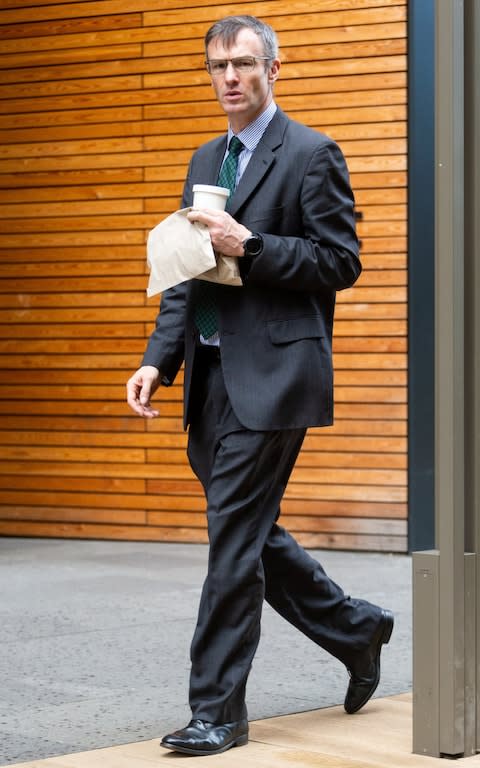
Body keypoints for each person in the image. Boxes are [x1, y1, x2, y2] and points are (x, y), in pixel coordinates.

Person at [126, 14, 393, 757]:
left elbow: (340, 261)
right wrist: (158, 358)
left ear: (275, 69)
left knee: (231, 544)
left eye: (244, 63)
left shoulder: (311, 153)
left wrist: (256, 246)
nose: (230, 78)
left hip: (274, 375)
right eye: (218, 67)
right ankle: (356, 628)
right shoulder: (205, 158)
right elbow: (184, 272)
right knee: (247, 534)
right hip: (209, 379)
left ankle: (218, 711)